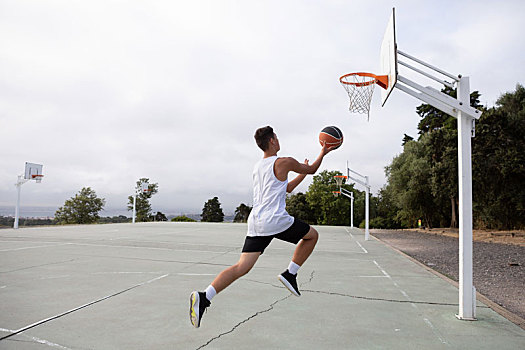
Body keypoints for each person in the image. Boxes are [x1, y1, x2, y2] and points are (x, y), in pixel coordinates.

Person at [190, 126, 333, 328]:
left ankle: (204, 296)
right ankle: (290, 274)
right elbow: (311, 170)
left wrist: (301, 174)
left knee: (242, 267)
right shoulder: (284, 161)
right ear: (272, 140)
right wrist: (323, 152)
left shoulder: (258, 167)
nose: (278, 139)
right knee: (312, 236)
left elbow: (288, 188)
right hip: (275, 219)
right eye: (277, 136)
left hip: (257, 221)